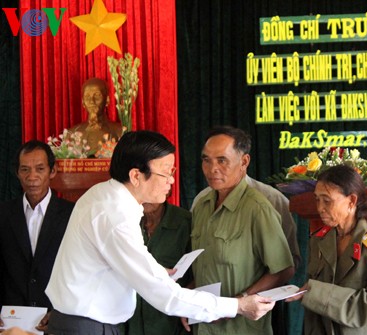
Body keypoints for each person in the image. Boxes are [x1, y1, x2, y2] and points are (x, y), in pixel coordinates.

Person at [45, 130, 274, 335]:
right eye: (165, 173)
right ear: (136, 176)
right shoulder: (115, 216)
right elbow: (167, 297)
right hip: (88, 328)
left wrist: (152, 270)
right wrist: (238, 306)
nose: (172, 181)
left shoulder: (102, 194)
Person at [188, 126, 295, 334]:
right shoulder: (201, 204)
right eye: (206, 160)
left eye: (222, 160)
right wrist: (188, 300)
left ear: (244, 162)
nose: (212, 169)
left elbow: (283, 269)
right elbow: (205, 266)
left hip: (242, 327)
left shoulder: (259, 206)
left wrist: (239, 302)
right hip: (205, 325)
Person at [286, 165, 367, 334]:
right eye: (317, 199)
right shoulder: (319, 239)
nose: (320, 208)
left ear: (352, 201)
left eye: (327, 201)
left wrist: (317, 294)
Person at [0, 140, 74, 333]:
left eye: (39, 169)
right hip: (10, 322)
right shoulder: (3, 214)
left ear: (52, 171)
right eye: (25, 169)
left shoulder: (72, 215)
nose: (32, 177)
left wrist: (61, 313)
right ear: (17, 173)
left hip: (56, 319)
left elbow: (78, 271)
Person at [121, 201, 192, 335]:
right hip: (128, 323)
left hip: (170, 324)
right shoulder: (124, 220)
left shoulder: (185, 222)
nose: (146, 198)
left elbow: (199, 272)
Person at [68, 77, 123, 154]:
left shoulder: (120, 131)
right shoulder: (72, 134)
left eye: (97, 95)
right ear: (83, 102)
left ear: (107, 100)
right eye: (87, 97)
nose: (92, 101)